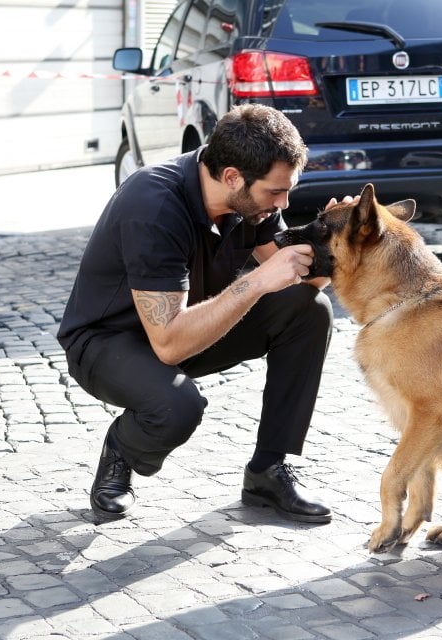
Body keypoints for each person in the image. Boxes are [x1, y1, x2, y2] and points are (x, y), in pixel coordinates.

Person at [58, 104, 345, 526]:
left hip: (190, 325)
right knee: (176, 406)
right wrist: (257, 281)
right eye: (275, 191)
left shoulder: (253, 204)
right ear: (232, 176)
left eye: (288, 190)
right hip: (107, 344)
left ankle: (267, 471)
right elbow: (170, 345)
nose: (284, 202)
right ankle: (122, 448)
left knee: (309, 310)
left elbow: (306, 284)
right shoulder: (154, 206)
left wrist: (335, 236)